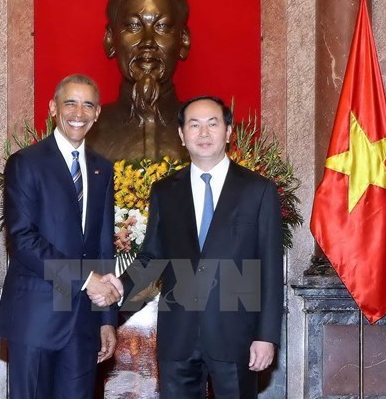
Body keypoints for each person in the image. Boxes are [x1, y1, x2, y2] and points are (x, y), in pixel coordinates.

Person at [92, 96, 284, 398]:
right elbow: (153, 257)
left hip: (237, 335)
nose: (203, 133)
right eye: (194, 125)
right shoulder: (165, 191)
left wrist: (266, 335)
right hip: (178, 336)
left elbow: (271, 269)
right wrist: (119, 285)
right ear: (182, 135)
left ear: (228, 131)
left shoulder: (258, 191)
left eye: (212, 124)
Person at [0, 74, 122, 399]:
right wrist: (85, 279)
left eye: (88, 105)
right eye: (70, 102)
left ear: (97, 114)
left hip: (82, 324)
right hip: (35, 318)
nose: (78, 112)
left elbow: (103, 246)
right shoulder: (26, 163)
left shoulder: (102, 169)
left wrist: (107, 319)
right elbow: (23, 240)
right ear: (54, 108)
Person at [86, 0, 191, 161]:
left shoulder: (215, 134)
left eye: (162, 26)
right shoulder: (84, 131)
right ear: (110, 40)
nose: (148, 42)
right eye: (134, 26)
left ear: (183, 41)